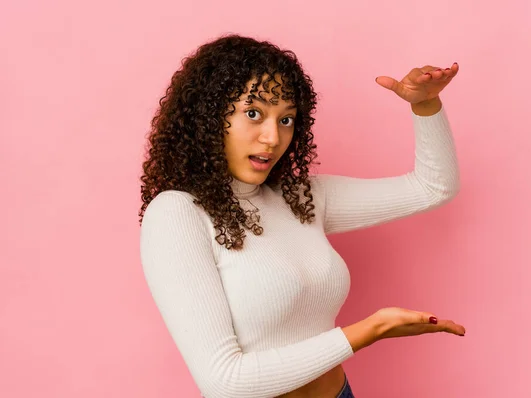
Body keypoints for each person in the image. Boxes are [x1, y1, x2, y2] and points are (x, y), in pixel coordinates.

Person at [138, 34, 466, 398]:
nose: (272, 138)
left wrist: (426, 105)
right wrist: (368, 331)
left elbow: (433, 188)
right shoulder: (178, 214)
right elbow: (225, 383)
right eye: (253, 114)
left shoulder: (300, 197)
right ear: (208, 116)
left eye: (286, 119)